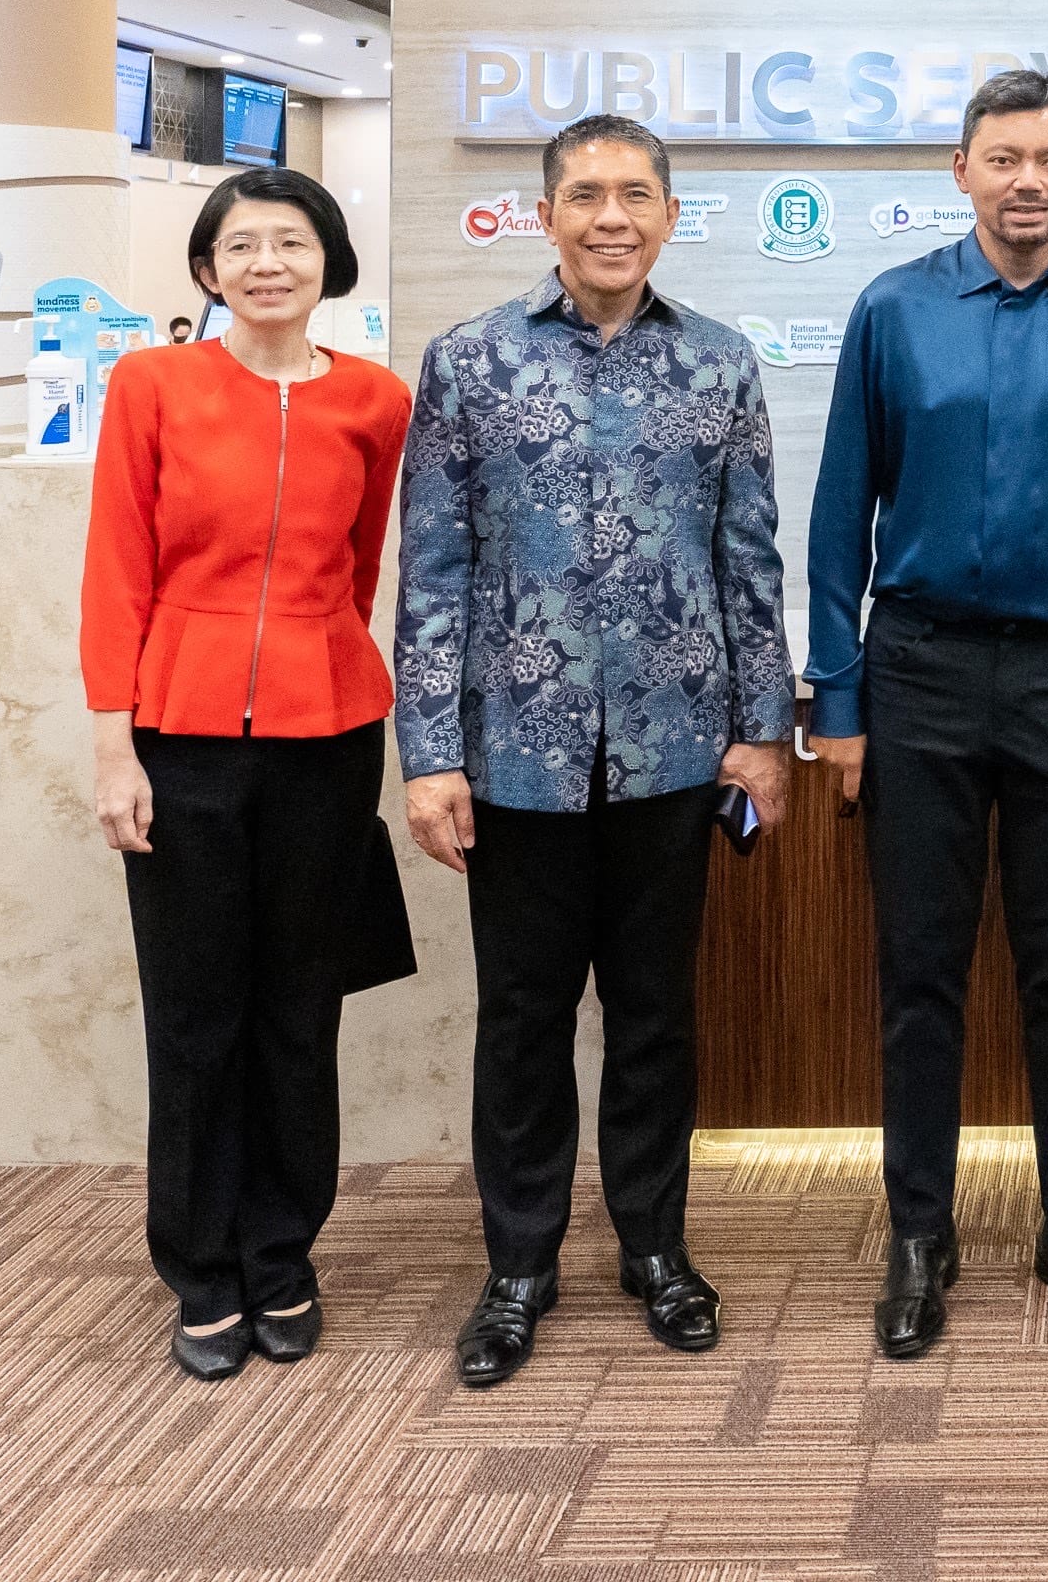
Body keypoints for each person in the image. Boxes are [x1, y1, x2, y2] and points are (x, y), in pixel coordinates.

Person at [396, 114, 796, 1391]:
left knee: (654, 1016)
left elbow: (749, 563)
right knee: (519, 1019)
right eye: (585, 195)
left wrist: (761, 733)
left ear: (669, 214)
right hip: (514, 758)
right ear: (545, 213)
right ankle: (518, 1264)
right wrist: (428, 751)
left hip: (676, 756)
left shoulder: (722, 366)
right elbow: (435, 571)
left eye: (634, 194)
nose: (610, 216)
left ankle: (656, 1246)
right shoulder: (469, 363)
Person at [809, 69, 1048, 1362]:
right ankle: (921, 1232)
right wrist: (836, 701)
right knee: (918, 975)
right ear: (957, 170)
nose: (1028, 179)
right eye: (1003, 156)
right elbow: (836, 518)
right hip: (914, 675)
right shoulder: (891, 312)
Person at [81, 167, 412, 1381]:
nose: (269, 261)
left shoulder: (377, 401)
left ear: (329, 260)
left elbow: (362, 558)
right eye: (241, 244)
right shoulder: (154, 384)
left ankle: (283, 1255)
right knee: (194, 1011)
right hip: (178, 734)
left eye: (292, 241)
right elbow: (117, 563)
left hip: (328, 735)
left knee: (298, 1007)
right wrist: (113, 739)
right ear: (209, 269)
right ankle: (199, 1266)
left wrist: (331, 662)